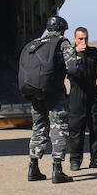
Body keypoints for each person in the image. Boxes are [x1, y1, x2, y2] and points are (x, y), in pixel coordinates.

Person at [21, 15, 75, 184]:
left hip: (35, 93)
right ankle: (57, 170)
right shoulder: (62, 43)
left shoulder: (36, 44)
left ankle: (33, 167)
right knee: (58, 128)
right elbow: (73, 67)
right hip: (55, 94)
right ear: (62, 29)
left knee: (38, 128)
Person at [66, 27, 97, 171]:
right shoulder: (69, 53)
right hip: (76, 95)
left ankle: (96, 159)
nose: (83, 41)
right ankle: (75, 160)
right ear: (75, 39)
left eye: (86, 38)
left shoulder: (94, 52)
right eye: (80, 39)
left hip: (93, 94)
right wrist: (77, 53)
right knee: (76, 130)